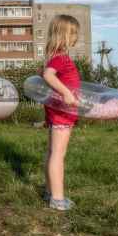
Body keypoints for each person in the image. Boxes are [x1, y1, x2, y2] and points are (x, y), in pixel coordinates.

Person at [42, 15, 81, 211]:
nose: (76, 37)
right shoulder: (60, 58)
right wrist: (66, 93)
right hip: (62, 114)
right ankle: (57, 199)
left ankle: (50, 192)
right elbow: (47, 76)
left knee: (52, 152)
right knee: (58, 154)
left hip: (59, 112)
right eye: (73, 33)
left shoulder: (56, 56)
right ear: (62, 35)